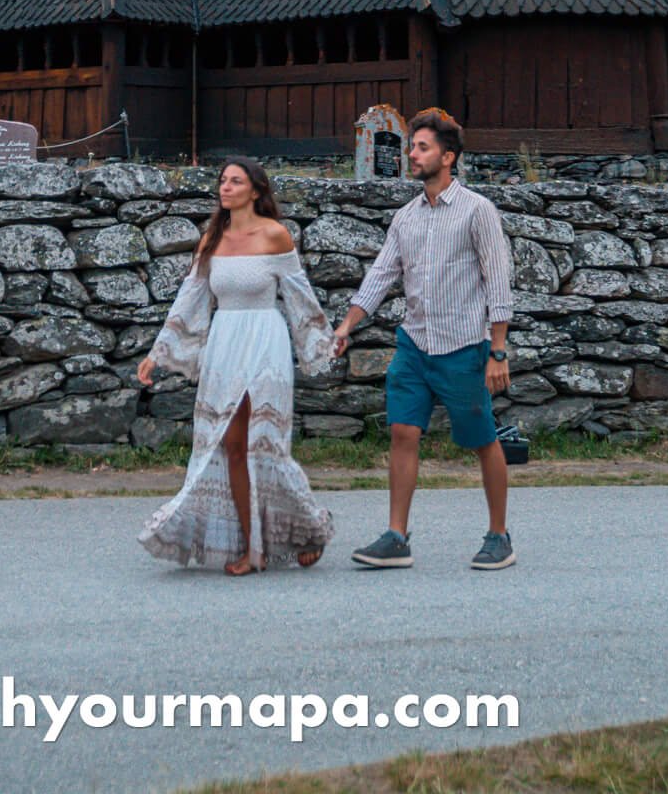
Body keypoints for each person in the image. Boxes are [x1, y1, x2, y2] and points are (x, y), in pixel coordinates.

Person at [332, 109, 517, 571]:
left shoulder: (478, 211)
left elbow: (499, 282)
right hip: (414, 345)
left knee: (482, 439)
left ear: (448, 156)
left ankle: (499, 536)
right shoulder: (405, 218)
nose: (412, 154)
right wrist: (347, 325)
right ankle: (397, 536)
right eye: (412, 146)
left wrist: (498, 350)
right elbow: (381, 275)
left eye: (422, 147)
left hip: (463, 347)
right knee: (401, 431)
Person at [136, 158, 337, 575]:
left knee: (262, 442)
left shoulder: (275, 235)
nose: (225, 187)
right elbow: (191, 297)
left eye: (235, 181)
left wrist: (319, 342)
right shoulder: (213, 238)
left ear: (256, 190)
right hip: (224, 342)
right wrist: (158, 352)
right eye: (223, 180)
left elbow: (299, 296)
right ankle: (252, 546)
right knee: (230, 446)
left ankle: (304, 529)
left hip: (265, 340)